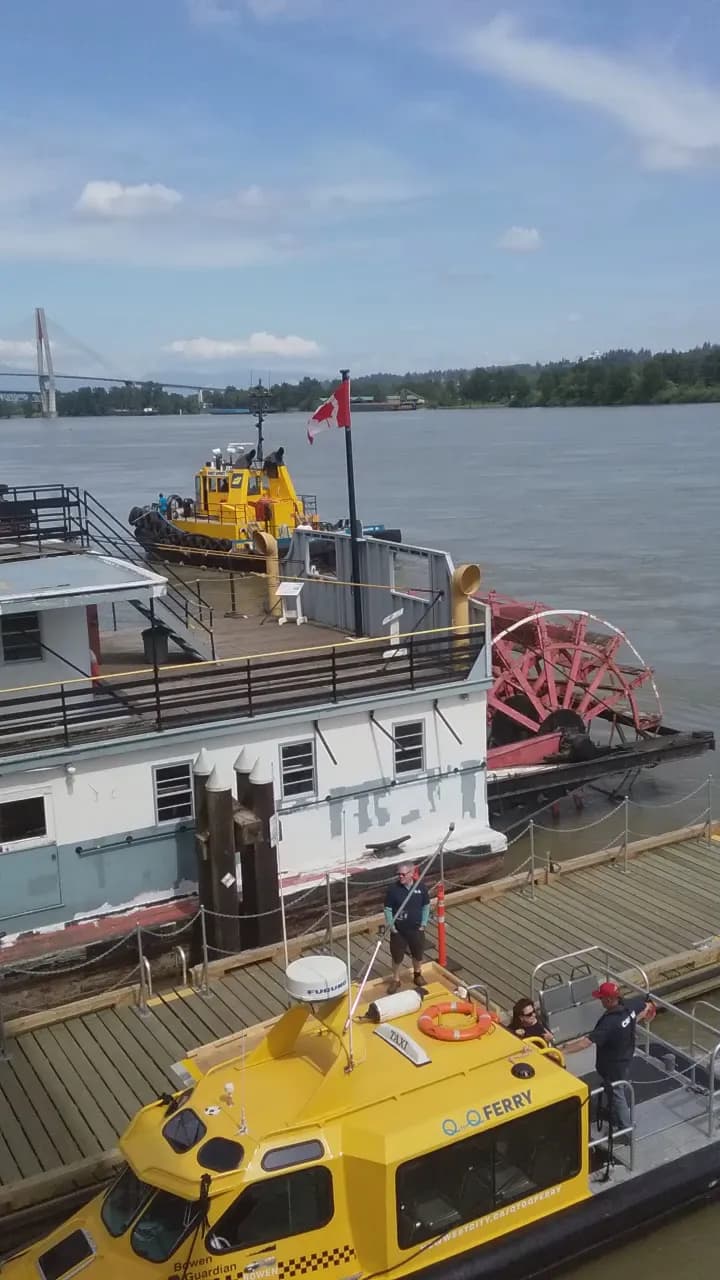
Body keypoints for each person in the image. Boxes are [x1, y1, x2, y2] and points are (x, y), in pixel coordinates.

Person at [565, 981, 655, 1134]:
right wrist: (639, 1019)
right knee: (614, 1090)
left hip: (612, 1065)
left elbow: (585, 1043)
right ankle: (615, 1114)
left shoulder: (609, 1023)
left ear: (608, 1000)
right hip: (626, 1056)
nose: (600, 1001)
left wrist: (561, 1051)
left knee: (617, 1093)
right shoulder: (630, 1006)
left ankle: (627, 1131)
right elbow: (647, 1005)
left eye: (601, 998)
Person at [384, 863, 430, 993]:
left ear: (411, 873)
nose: (400, 876)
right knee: (397, 956)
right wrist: (392, 926)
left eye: (403, 874)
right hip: (399, 930)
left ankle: (417, 974)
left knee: (418, 954)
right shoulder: (393, 890)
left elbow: (425, 906)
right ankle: (396, 979)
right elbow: (388, 909)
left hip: (416, 928)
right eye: (398, 874)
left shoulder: (420, 887)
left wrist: (423, 924)